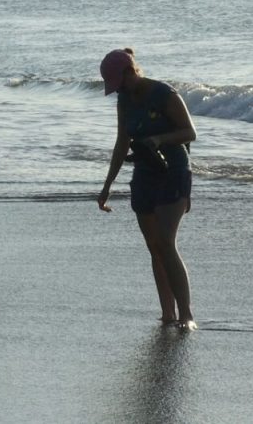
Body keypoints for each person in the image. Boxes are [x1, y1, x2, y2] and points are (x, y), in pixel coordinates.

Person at [97, 48, 197, 330]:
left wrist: (158, 139)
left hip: (174, 170)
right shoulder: (124, 100)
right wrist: (107, 186)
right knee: (155, 247)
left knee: (166, 242)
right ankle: (167, 314)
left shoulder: (164, 94)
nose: (118, 91)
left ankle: (186, 314)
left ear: (131, 72)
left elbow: (190, 132)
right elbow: (121, 143)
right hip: (144, 173)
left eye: (120, 83)